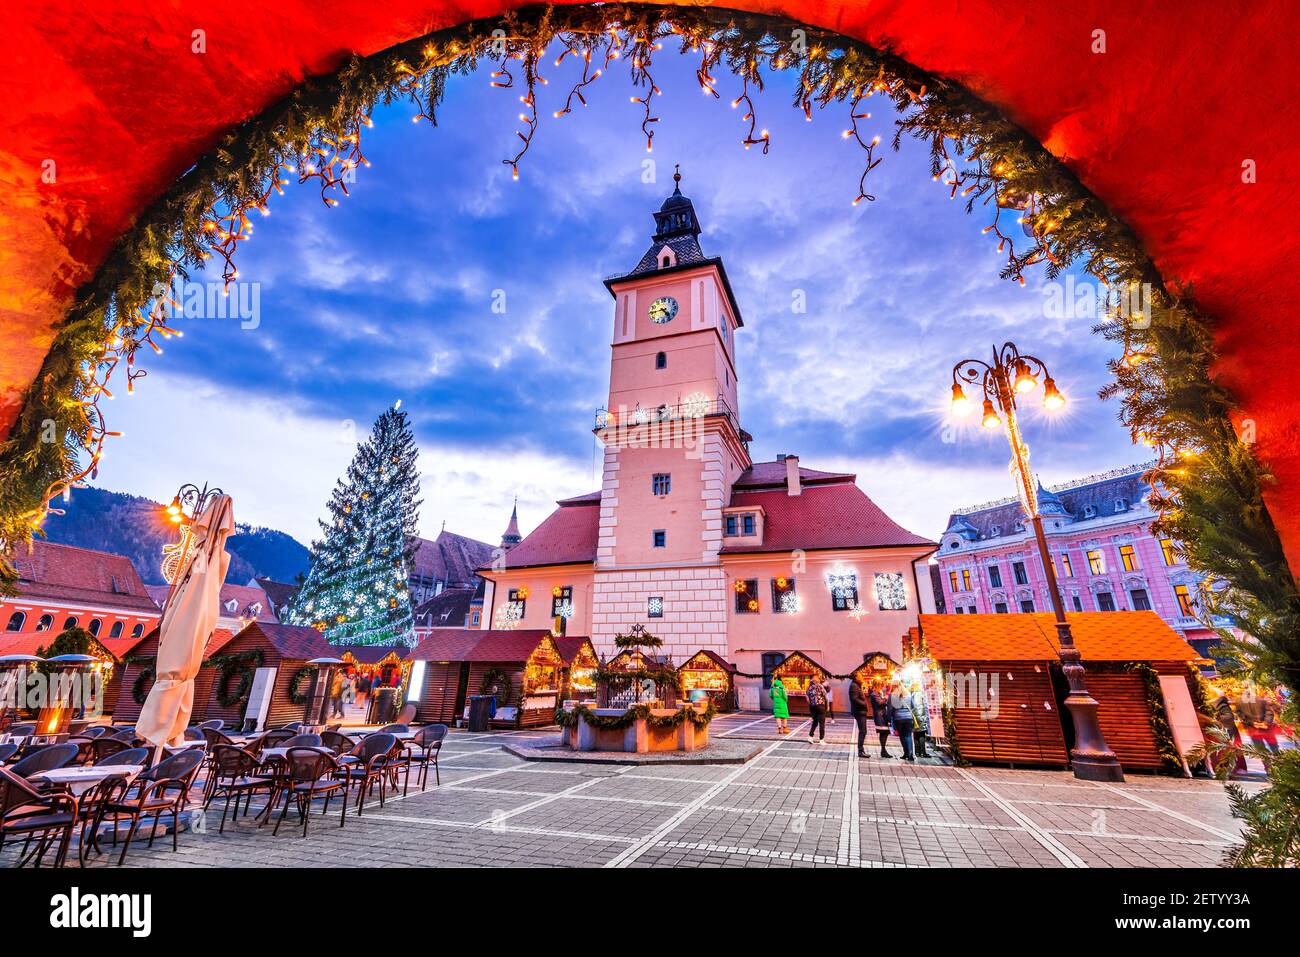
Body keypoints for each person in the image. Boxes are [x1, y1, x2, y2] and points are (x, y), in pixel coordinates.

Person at [890, 680, 916, 762]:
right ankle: (910, 755)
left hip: (898, 718)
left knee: (902, 736)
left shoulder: (893, 695)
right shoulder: (908, 694)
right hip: (908, 718)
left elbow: (892, 708)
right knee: (908, 736)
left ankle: (905, 754)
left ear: (894, 686)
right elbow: (913, 706)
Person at [869, 678, 894, 758]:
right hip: (880, 716)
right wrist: (886, 697)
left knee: (885, 733)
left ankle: (883, 750)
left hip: (883, 715)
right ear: (877, 685)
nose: (882, 686)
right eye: (880, 684)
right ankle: (883, 751)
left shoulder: (879, 693)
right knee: (884, 732)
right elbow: (880, 703)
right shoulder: (874, 694)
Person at [849, 678, 871, 759]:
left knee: (863, 731)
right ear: (856, 677)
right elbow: (854, 699)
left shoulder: (856, 685)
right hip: (859, 711)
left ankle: (861, 750)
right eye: (860, 676)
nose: (861, 677)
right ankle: (860, 751)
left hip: (860, 711)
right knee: (863, 731)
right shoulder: (854, 686)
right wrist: (864, 704)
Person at [909, 680, 929, 758]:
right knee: (921, 733)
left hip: (914, 716)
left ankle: (917, 752)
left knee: (916, 733)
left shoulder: (911, 694)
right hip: (921, 715)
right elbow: (925, 703)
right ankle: (923, 752)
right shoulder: (921, 694)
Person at [805, 676, 828, 745]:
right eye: (817, 678)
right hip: (820, 706)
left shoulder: (808, 688)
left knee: (815, 722)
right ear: (816, 680)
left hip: (813, 707)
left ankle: (810, 736)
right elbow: (825, 696)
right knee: (822, 723)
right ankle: (821, 739)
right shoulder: (820, 686)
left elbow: (807, 699)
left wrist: (811, 705)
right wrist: (827, 706)